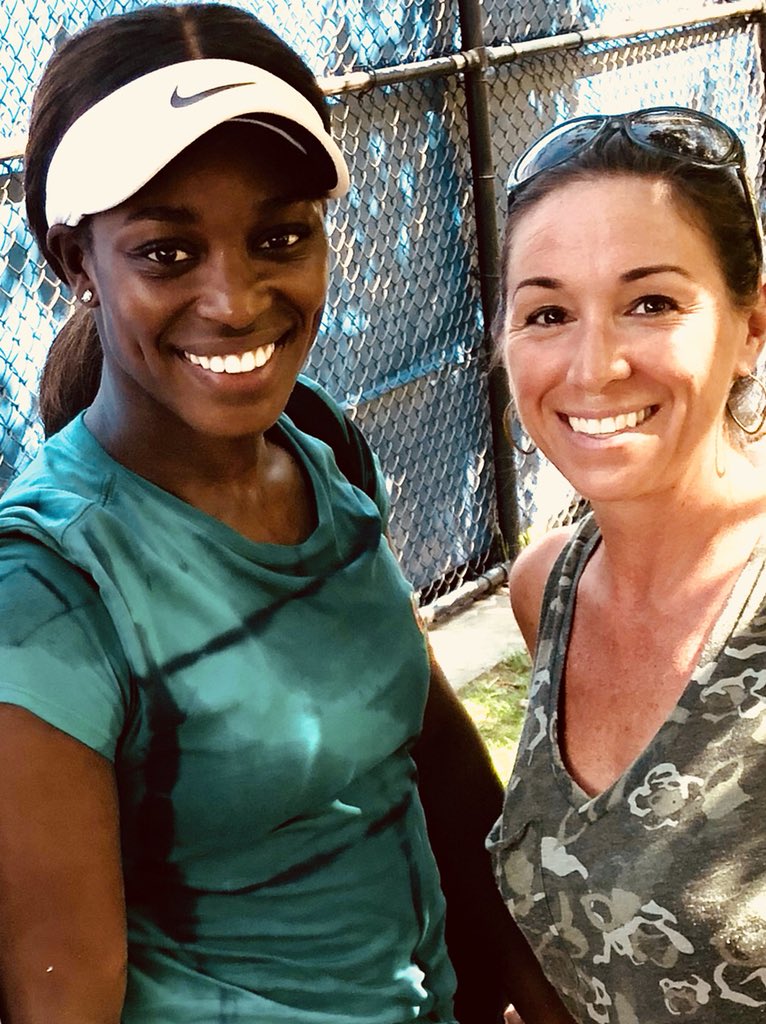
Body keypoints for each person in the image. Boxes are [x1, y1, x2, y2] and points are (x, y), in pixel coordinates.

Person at [0, 4, 569, 1022]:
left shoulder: (317, 451)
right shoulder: (47, 587)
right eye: (167, 253)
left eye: (279, 235)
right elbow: (63, 993)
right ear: (76, 262)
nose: (234, 296)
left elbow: (433, 766)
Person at [488, 106, 766, 1022]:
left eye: (651, 303)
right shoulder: (549, 591)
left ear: (752, 324)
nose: (594, 364)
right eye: (548, 312)